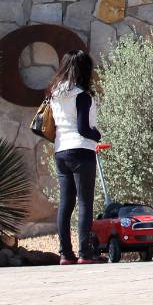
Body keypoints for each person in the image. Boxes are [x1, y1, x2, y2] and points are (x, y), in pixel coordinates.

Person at [47, 50, 105, 264]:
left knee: (66, 203)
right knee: (85, 202)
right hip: (81, 151)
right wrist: (98, 134)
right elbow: (83, 129)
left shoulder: (54, 95)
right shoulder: (82, 95)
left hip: (61, 150)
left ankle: (65, 253)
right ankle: (85, 253)